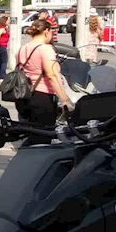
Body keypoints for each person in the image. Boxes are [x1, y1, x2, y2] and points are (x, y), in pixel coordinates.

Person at [16, 19, 73, 147]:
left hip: (24, 96)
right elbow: (52, 75)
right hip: (42, 97)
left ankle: (27, 160)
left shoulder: (23, 48)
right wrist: (64, 99)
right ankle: (28, 161)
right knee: (43, 136)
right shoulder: (45, 49)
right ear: (47, 31)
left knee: (33, 132)